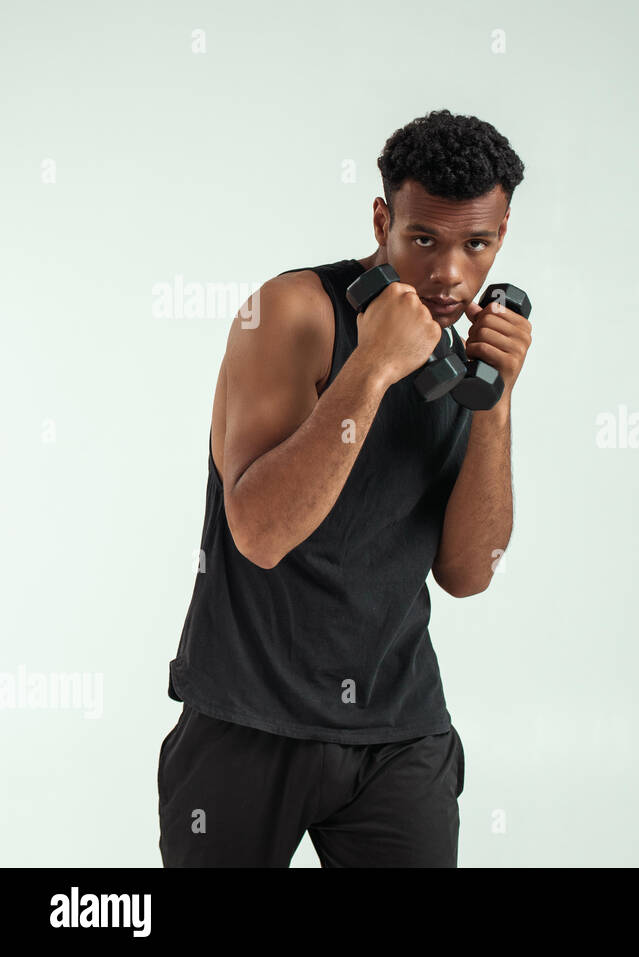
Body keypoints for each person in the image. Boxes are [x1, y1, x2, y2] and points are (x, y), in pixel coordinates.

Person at [157, 109, 530, 867]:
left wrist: (496, 400)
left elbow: (466, 574)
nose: (450, 274)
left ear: (502, 235)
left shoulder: (462, 357)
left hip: (399, 733)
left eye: (476, 244)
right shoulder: (292, 311)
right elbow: (259, 533)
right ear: (382, 218)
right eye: (423, 239)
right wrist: (371, 365)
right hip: (247, 718)